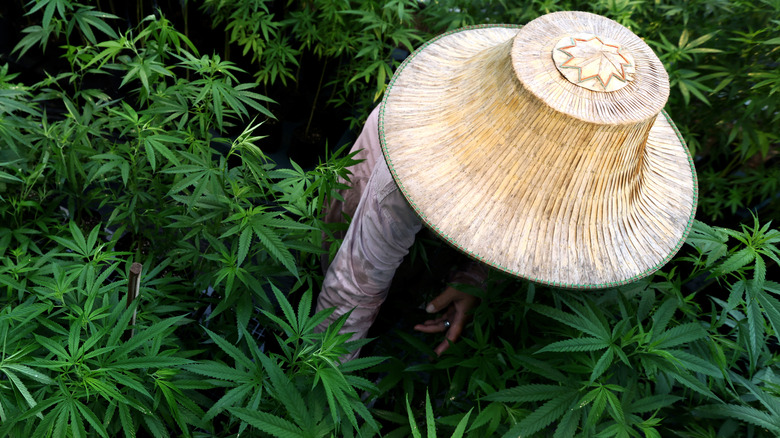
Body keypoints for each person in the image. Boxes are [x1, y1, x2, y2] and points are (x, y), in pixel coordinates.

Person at [315, 11, 698, 360]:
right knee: (345, 273)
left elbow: (518, 223)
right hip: (383, 203)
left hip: (447, 223)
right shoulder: (413, 159)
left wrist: (472, 279)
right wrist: (330, 383)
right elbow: (354, 284)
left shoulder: (567, 176)